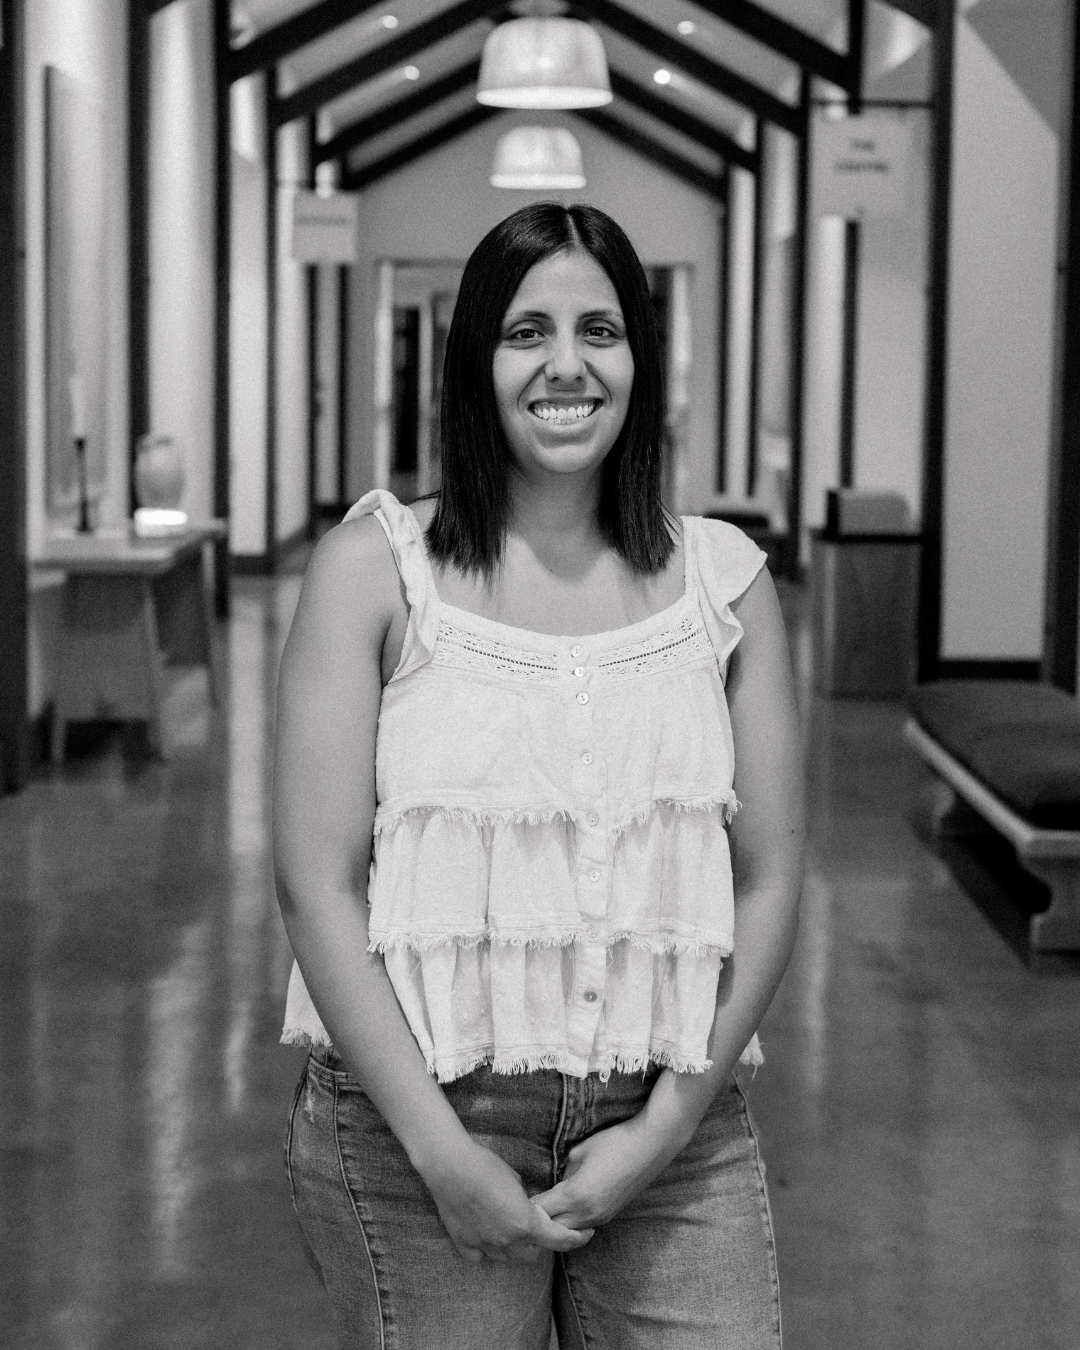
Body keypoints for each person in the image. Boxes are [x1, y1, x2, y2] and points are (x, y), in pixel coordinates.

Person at [273, 202, 804, 1350]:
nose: (568, 365)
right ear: (477, 358)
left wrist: (660, 1134)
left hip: (677, 1125)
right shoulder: (376, 570)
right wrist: (442, 1154)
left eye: (600, 331)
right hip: (420, 1121)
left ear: (640, 359)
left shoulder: (723, 583)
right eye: (527, 332)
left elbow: (766, 879)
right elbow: (317, 884)